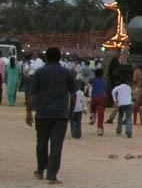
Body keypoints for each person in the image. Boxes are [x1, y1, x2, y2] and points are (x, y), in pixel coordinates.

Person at [26, 47, 76, 185]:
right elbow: (73, 94)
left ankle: (40, 170)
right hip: (60, 114)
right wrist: (71, 111)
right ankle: (52, 175)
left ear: (46, 58)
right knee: (56, 145)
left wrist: (28, 112)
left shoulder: (39, 73)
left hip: (42, 113)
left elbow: (32, 95)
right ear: (60, 57)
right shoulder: (67, 73)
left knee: (41, 142)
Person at [88, 68, 107, 135]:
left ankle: (93, 116)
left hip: (94, 97)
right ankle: (100, 128)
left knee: (92, 106)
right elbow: (105, 89)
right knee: (101, 114)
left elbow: (88, 81)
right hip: (101, 97)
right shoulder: (104, 81)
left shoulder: (93, 79)